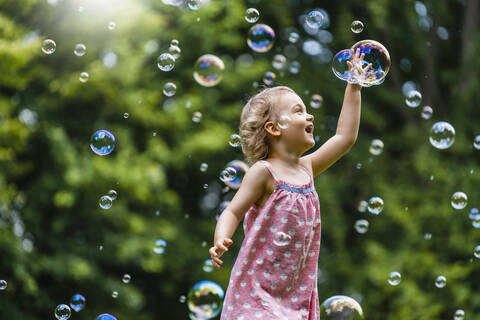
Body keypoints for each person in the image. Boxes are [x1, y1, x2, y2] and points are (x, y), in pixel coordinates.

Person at [209, 49, 370, 320]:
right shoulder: (264, 172)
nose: (310, 117)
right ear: (274, 128)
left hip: (296, 294)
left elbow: (345, 137)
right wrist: (221, 238)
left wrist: (354, 85)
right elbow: (233, 211)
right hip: (257, 292)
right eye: (299, 111)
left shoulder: (306, 169)